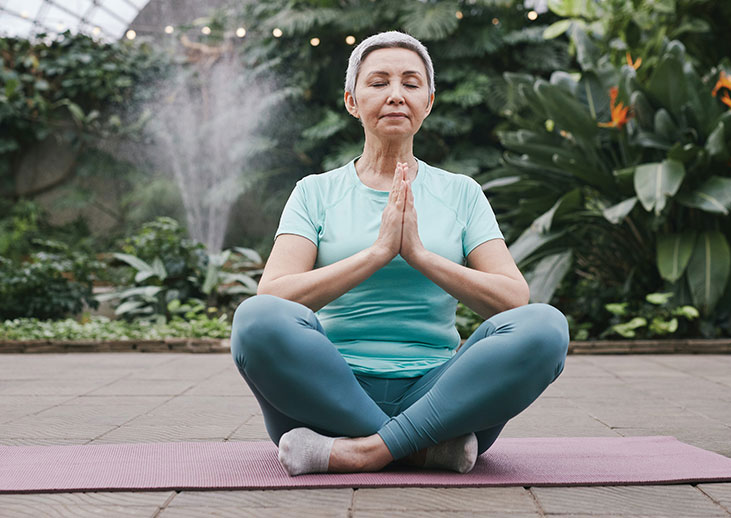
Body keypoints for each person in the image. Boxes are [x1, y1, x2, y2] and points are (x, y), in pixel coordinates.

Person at [230, 31, 569, 476]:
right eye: (378, 83)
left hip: (442, 397)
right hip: (328, 392)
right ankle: (420, 450)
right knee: (255, 319)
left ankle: (362, 452)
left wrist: (419, 255)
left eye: (410, 83)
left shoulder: (462, 193)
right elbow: (275, 295)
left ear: (428, 102)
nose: (395, 95)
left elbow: (512, 300)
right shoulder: (314, 192)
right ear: (352, 101)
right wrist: (378, 253)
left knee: (545, 326)